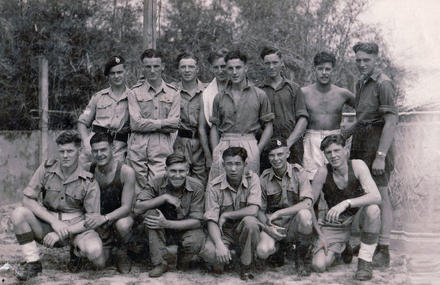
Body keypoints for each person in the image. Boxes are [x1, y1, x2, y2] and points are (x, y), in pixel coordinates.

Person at [11, 131, 105, 281]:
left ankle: (76, 253)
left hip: (76, 229)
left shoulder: (89, 181)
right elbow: (27, 199)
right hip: (48, 225)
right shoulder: (47, 168)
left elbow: (92, 220)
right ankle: (33, 262)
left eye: (70, 151)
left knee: (96, 254)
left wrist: (65, 231)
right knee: (18, 214)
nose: (65, 155)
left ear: (79, 151)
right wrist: (54, 222)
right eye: (62, 152)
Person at [348, 42, 398, 267]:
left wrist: (380, 155)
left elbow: (391, 121)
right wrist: (348, 131)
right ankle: (369, 241)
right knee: (365, 194)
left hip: (377, 142)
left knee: (381, 195)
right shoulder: (361, 81)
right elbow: (363, 115)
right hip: (361, 141)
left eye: (366, 60)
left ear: (376, 59)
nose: (361, 64)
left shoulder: (383, 83)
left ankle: (384, 248)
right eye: (358, 60)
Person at [311, 134, 382, 281]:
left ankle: (364, 261)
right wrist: (319, 233)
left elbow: (376, 196)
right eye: (328, 152)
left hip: (356, 220)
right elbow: (308, 205)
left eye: (337, 150)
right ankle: (342, 248)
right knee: (319, 265)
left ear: (345, 150)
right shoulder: (323, 172)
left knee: (373, 209)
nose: (333, 155)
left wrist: (346, 203)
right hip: (336, 224)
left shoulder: (357, 165)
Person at [133, 153, 205, 278]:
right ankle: (160, 263)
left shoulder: (197, 186)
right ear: (166, 170)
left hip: (183, 227)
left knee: (196, 239)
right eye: (173, 171)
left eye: (181, 171)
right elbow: (137, 208)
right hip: (159, 231)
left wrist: (167, 223)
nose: (177, 175)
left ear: (187, 171)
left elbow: (197, 221)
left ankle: (181, 261)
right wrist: (164, 198)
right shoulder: (156, 181)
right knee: (151, 214)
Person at [209, 50, 274, 180]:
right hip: (224, 144)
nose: (234, 72)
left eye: (238, 67)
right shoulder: (219, 97)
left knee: (249, 186)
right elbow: (214, 127)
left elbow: (268, 126)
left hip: (249, 143)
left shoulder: (259, 94)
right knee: (220, 186)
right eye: (230, 68)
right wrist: (216, 151)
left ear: (246, 68)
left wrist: (257, 149)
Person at [200, 147, 262, 280]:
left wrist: (227, 215)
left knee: (251, 222)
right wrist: (219, 244)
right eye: (229, 164)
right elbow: (211, 220)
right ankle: (235, 255)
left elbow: (253, 210)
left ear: (245, 164)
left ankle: (246, 266)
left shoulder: (253, 179)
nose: (233, 169)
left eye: (238, 164)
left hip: (244, 230)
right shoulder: (214, 186)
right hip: (224, 232)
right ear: (223, 164)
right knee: (210, 254)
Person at [256, 138, 314, 276]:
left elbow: (307, 203)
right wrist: (268, 228)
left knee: (305, 215)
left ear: (287, 154)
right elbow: (259, 209)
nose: (276, 159)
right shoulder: (264, 178)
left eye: (280, 154)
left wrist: (280, 212)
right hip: (274, 225)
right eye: (272, 155)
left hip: (294, 223)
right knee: (263, 251)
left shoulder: (299, 172)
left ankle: (301, 258)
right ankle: (279, 249)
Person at [127, 49, 180, 189]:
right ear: (142, 68)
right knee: (138, 189)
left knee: (159, 186)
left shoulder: (173, 93)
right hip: (138, 147)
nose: (152, 70)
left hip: (162, 147)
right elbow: (135, 124)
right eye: (148, 67)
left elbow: (175, 124)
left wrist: (148, 124)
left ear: (162, 66)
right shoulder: (134, 92)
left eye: (156, 66)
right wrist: (163, 123)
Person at [302, 51, 355, 180]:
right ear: (314, 69)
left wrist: (349, 130)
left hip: (335, 139)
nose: (324, 72)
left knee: (337, 178)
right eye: (320, 69)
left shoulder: (343, 93)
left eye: (327, 69)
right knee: (312, 179)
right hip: (312, 139)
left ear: (333, 71)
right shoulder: (304, 93)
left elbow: (365, 111)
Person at [87, 132, 135, 273]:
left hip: (119, 216)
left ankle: (122, 250)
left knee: (123, 225)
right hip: (99, 218)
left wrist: (105, 218)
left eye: (103, 150)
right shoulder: (88, 169)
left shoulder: (126, 171)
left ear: (112, 149)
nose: (99, 154)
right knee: (100, 265)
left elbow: (126, 208)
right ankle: (79, 251)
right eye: (95, 151)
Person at [259, 47, 309, 170]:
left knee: (294, 180)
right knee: (268, 181)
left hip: (292, 146)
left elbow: (303, 119)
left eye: (275, 62)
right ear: (263, 65)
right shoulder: (258, 91)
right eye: (267, 63)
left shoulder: (294, 88)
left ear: (282, 63)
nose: (271, 67)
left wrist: (288, 144)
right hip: (267, 147)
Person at [78, 56, 131, 169]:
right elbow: (82, 122)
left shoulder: (133, 97)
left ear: (126, 72)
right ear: (108, 76)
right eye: (112, 73)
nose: (116, 76)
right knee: (84, 179)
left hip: (118, 148)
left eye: (119, 72)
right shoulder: (98, 97)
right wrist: (87, 143)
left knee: (114, 181)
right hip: (94, 145)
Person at [173, 51, 208, 183]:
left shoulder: (207, 91)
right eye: (183, 67)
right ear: (178, 69)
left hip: (201, 143)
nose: (187, 70)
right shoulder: (172, 90)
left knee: (201, 181)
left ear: (197, 69)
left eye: (191, 67)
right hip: (179, 143)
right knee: (179, 179)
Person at [199, 48, 229, 173]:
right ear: (211, 68)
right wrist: (208, 156)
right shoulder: (207, 94)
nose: (220, 71)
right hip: (216, 144)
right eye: (216, 67)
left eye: (223, 66)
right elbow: (202, 128)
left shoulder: (241, 89)